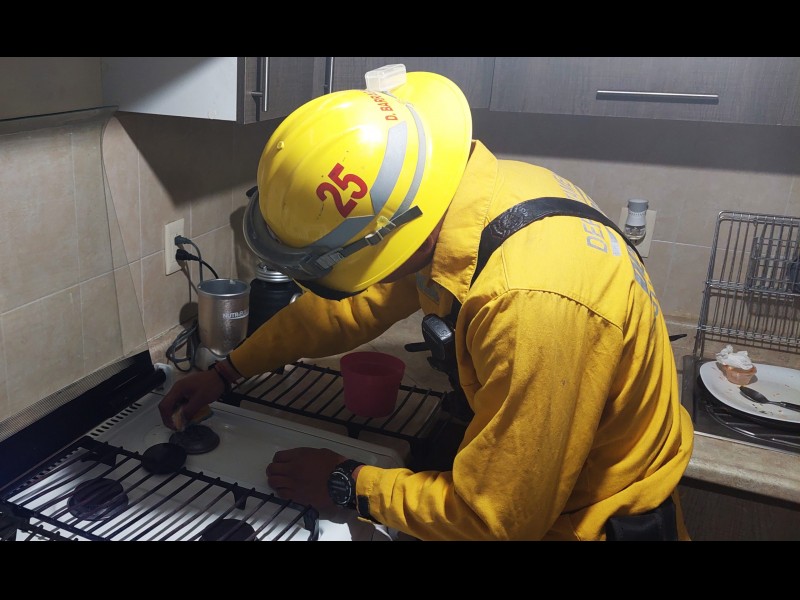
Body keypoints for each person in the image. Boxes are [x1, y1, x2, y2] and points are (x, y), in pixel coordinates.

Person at [158, 65, 695, 541]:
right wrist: (229, 370)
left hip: (594, 523)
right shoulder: (458, 202)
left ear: (394, 239)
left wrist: (346, 482)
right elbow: (348, 309)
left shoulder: (528, 306)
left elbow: (497, 520)